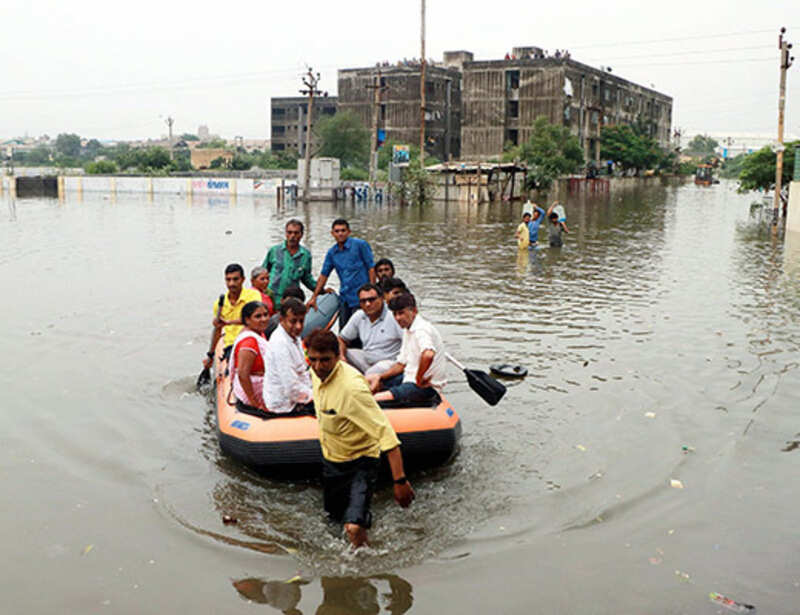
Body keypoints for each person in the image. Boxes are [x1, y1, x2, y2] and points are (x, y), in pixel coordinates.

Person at [306, 329, 415, 548]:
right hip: (332, 460)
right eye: (314, 360)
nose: (318, 367)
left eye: (325, 360)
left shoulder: (352, 389)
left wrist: (400, 481)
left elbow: (386, 434)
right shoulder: (315, 373)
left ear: (338, 357)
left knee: (353, 528)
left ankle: (365, 567)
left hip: (361, 462)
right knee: (333, 521)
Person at [366, 293, 447, 404]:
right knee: (372, 383)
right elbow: (401, 364)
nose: (398, 318)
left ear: (414, 311)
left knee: (375, 400)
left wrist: (419, 379)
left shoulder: (421, 329)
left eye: (401, 313)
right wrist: (380, 376)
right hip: (408, 378)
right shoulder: (407, 330)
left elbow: (428, 354)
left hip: (425, 387)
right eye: (395, 314)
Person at [309, 218, 376, 329]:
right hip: (345, 297)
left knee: (363, 330)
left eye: (343, 230)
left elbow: (371, 268)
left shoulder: (360, 245)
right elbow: (324, 275)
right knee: (345, 331)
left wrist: (373, 292)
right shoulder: (332, 253)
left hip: (362, 298)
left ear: (349, 232)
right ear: (332, 233)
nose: (340, 234)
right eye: (337, 231)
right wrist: (314, 297)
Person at [202, 264, 263, 369]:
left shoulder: (253, 296)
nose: (231, 284)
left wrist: (229, 322)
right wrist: (210, 355)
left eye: (235, 279)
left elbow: (255, 320)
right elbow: (217, 330)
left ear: (243, 279)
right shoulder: (219, 304)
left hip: (251, 339)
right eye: (228, 280)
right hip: (231, 344)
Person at [339, 283, 404, 376]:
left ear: (382, 299)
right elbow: (341, 339)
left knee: (371, 373)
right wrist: (342, 357)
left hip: (390, 362)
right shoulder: (359, 316)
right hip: (366, 358)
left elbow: (410, 342)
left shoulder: (394, 316)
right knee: (336, 356)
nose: (368, 304)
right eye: (363, 301)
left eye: (371, 300)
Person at [263, 298, 313, 413]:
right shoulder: (280, 343)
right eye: (293, 321)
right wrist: (316, 395)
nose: (298, 326)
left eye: (301, 321)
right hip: (284, 404)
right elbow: (291, 388)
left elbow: (303, 370)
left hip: (298, 393)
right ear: (282, 320)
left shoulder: (294, 336)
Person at [262, 219, 317, 304]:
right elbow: (263, 273)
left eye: (296, 233)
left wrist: (321, 290)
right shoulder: (275, 251)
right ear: (285, 234)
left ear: (301, 235)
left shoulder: (305, 255)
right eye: (289, 232)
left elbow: (307, 279)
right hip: (271, 297)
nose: (292, 236)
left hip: (292, 300)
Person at [231, 301, 270, 411]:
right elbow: (243, 374)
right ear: (247, 320)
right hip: (253, 392)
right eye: (258, 316)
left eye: (266, 315)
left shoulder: (259, 333)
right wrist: (255, 403)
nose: (264, 319)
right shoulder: (249, 342)